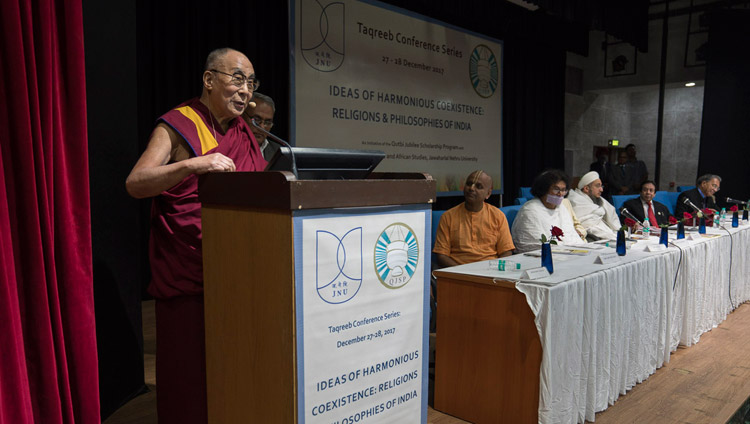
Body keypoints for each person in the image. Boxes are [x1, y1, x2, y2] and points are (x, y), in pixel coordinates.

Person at [125, 48, 266, 424]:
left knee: (233, 368)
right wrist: (192, 164)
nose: (245, 91)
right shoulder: (177, 124)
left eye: (250, 83)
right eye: (237, 79)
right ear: (208, 80)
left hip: (237, 268)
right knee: (189, 376)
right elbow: (136, 183)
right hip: (188, 272)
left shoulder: (244, 132)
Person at [433, 170, 515, 268]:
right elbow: (442, 256)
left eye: (478, 186)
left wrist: (495, 271)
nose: (471, 188)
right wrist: (463, 272)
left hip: (489, 273)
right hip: (458, 273)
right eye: (469, 184)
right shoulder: (448, 217)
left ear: (488, 194)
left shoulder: (498, 216)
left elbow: (506, 252)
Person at [511, 169, 587, 253]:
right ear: (543, 189)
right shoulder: (530, 210)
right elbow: (534, 244)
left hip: (568, 255)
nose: (561, 194)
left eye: (564, 190)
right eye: (556, 189)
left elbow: (571, 236)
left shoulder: (561, 207)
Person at [567, 171, 621, 241]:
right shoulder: (576, 201)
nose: (601, 190)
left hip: (608, 236)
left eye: (601, 186)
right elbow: (588, 225)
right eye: (598, 186)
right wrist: (614, 236)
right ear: (586, 188)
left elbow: (614, 222)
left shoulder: (599, 200)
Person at [242, 92, 279, 161]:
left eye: (267, 122)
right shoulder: (231, 145)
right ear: (242, 116)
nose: (262, 127)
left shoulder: (278, 152)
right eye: (256, 120)